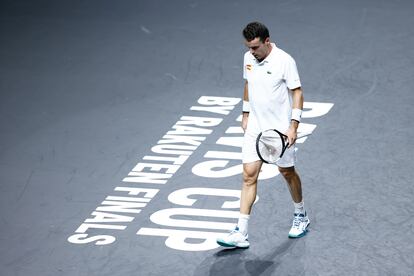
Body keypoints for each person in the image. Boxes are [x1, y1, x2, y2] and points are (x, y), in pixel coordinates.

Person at [217, 22, 309, 248]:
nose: (252, 52)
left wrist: (293, 126)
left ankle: (301, 215)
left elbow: (296, 92)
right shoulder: (248, 58)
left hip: (279, 130)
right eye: (249, 47)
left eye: (256, 47)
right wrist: (245, 112)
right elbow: (248, 84)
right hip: (255, 127)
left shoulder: (285, 61)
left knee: (286, 172)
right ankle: (241, 232)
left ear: (267, 41)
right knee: (249, 175)